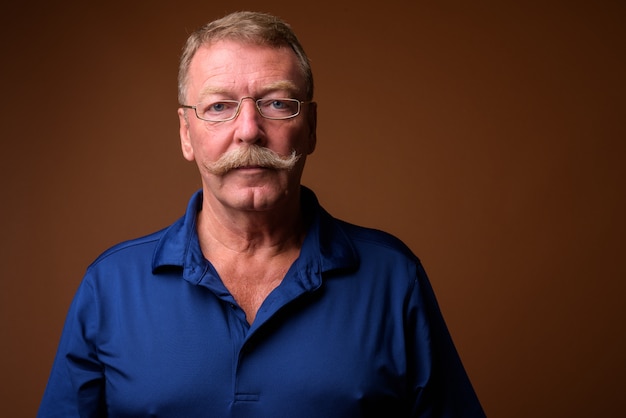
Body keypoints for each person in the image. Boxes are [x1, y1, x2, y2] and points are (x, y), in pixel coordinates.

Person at [38, 11, 486, 418]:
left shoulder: (393, 279)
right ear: (186, 134)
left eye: (276, 103)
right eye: (218, 107)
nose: (249, 129)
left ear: (309, 128)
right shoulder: (110, 287)